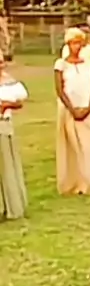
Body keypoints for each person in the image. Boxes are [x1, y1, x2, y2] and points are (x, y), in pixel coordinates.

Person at [54, 27, 90, 196]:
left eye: (79, 43)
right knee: (73, 147)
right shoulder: (61, 65)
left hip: (88, 108)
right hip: (69, 109)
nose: (76, 46)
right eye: (73, 43)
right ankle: (76, 182)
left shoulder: (88, 65)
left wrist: (89, 107)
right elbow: (59, 89)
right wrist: (72, 109)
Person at [0, 49, 28, 219]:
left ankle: (11, 204)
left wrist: (7, 105)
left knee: (7, 165)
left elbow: (19, 101)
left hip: (3, 125)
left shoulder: (8, 81)